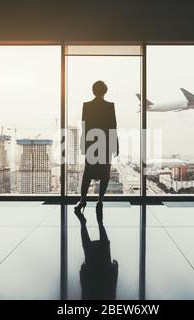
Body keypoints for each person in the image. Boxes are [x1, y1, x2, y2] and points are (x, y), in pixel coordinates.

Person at [74, 80, 118, 215]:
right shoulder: (110, 106)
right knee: (105, 174)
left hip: (91, 143)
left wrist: (83, 143)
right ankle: (100, 201)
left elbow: (84, 126)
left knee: (88, 173)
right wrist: (115, 144)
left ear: (93, 91)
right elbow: (113, 127)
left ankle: (82, 200)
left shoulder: (87, 106)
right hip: (105, 143)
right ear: (105, 91)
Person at [75, 207, 118, 300]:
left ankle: (100, 223)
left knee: (104, 245)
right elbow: (84, 285)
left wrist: (114, 267)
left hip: (103, 267)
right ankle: (84, 224)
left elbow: (113, 285)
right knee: (87, 246)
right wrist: (83, 268)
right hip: (92, 268)